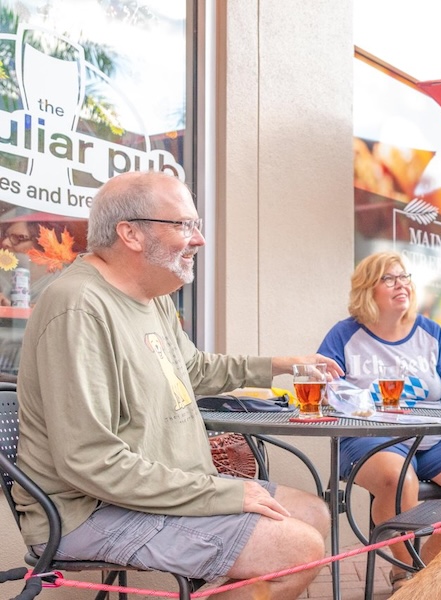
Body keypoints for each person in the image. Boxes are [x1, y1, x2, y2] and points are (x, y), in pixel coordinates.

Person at [13, 171, 341, 600]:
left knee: (313, 513)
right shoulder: (78, 308)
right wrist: (219, 492)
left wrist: (279, 364)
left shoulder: (152, 297)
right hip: (89, 512)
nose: (198, 239)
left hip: (156, 491)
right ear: (130, 233)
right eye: (184, 224)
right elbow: (90, 461)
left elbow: (191, 368)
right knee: (297, 547)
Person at [317, 251, 441, 592]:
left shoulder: (431, 334)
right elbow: (326, 390)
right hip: (371, 437)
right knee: (397, 479)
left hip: (434, 439)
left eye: (405, 277)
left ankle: (427, 563)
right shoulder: (344, 335)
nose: (402, 284)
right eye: (389, 278)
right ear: (368, 289)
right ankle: (404, 570)